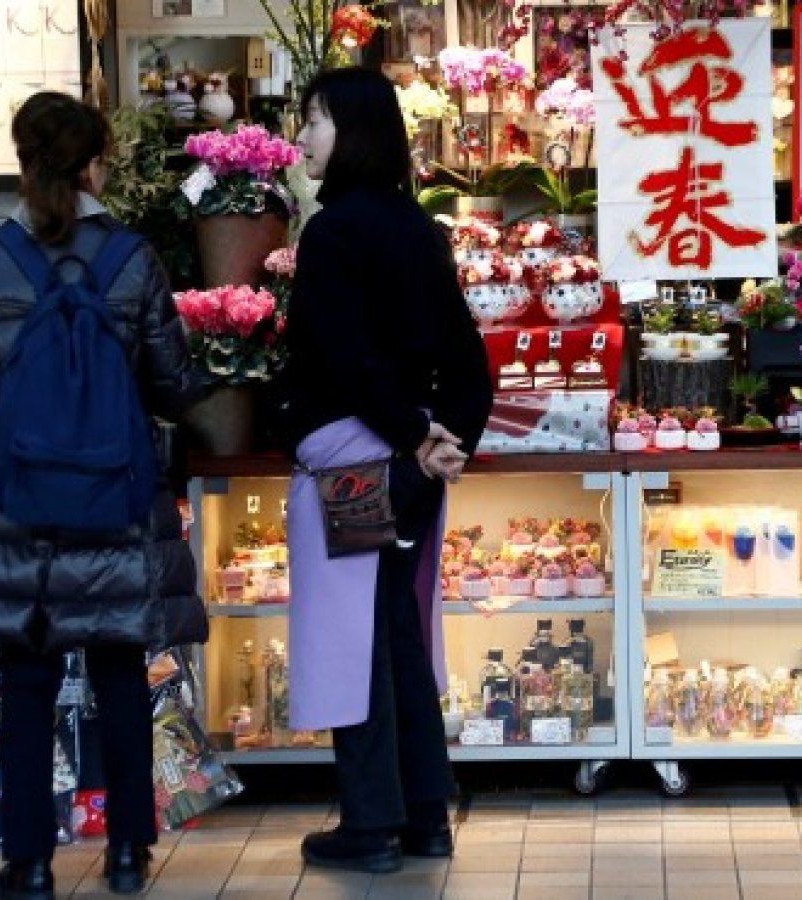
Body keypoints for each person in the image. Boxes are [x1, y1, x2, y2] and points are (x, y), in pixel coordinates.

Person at [0, 92, 209, 900]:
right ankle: (129, 853)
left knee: (27, 678)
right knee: (119, 669)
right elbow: (172, 382)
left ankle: (29, 864)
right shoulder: (132, 258)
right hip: (114, 493)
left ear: (23, 161)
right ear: (96, 164)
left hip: (14, 496)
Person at [278, 67, 493, 874]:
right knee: (397, 628)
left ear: (354, 131)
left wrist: (410, 433)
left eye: (314, 120)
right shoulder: (418, 229)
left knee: (355, 638)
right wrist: (444, 443)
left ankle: (370, 825)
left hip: (354, 463)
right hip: (411, 466)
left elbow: (346, 356)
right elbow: (469, 360)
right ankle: (427, 814)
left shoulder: (333, 233)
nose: (301, 137)